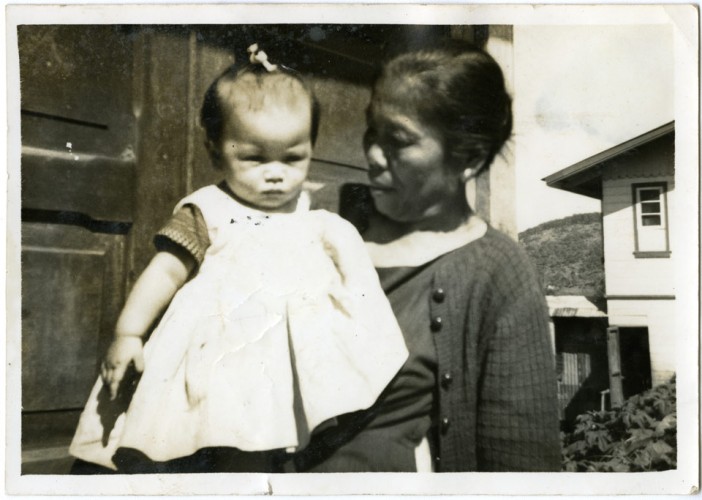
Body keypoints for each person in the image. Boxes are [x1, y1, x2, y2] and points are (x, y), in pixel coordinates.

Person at [69, 45, 408, 474]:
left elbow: (358, 293)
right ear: (215, 151)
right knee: (201, 437)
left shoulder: (317, 222)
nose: (274, 173)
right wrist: (128, 333)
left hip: (284, 368)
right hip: (216, 362)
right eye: (253, 158)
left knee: (269, 447)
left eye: (293, 158)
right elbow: (165, 271)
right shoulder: (208, 210)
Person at [287, 41, 561, 473]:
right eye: (371, 133)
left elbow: (521, 466)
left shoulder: (497, 273)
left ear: (467, 159)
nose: (373, 156)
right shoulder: (322, 226)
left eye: (398, 141)